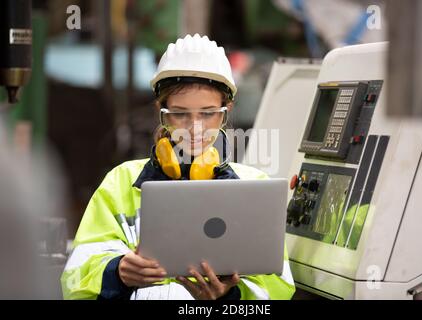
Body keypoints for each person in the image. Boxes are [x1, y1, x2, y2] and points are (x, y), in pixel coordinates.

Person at [61, 34, 295, 300]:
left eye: (208, 113)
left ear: (225, 111)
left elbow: (278, 288)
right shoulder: (121, 183)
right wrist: (117, 273)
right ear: (161, 111)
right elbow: (75, 279)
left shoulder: (254, 187)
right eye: (180, 113)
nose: (194, 127)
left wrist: (228, 298)